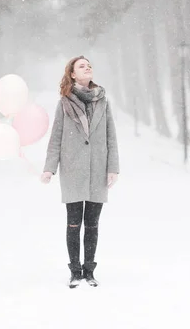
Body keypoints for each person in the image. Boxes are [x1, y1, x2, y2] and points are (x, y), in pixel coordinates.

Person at [41, 55, 120, 288]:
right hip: (73, 168)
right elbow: (56, 137)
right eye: (82, 66)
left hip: (98, 168)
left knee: (93, 223)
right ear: (72, 74)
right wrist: (49, 168)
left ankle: (90, 270)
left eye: (89, 65)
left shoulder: (102, 100)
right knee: (74, 223)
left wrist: (113, 168)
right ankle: (75, 271)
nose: (88, 68)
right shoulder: (64, 102)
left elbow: (111, 136)